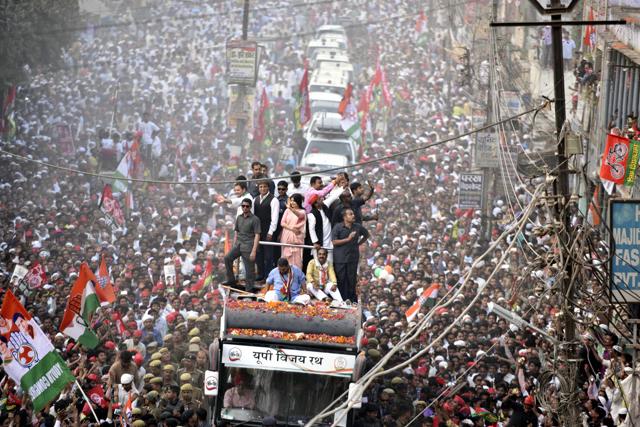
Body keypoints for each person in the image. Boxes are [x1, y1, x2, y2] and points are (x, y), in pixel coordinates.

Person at [223, 198, 261, 292]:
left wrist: (254, 251)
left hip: (248, 246)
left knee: (249, 270)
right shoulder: (239, 217)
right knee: (227, 258)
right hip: (238, 244)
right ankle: (231, 280)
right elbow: (236, 231)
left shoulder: (255, 219)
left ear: (250, 207)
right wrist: (234, 244)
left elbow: (257, 235)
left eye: (247, 206)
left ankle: (249, 289)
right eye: (243, 206)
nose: (245, 208)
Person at [332, 209, 369, 302]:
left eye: (353, 214)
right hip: (340, 258)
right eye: (350, 214)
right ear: (345, 217)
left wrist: (358, 243)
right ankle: (341, 300)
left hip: (352, 257)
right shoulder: (338, 227)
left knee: (351, 279)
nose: (353, 216)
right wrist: (348, 239)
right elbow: (334, 242)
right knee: (341, 279)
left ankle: (351, 300)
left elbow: (367, 235)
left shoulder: (357, 227)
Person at [253, 180, 279, 281]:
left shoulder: (273, 200)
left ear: (268, 188)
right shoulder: (255, 199)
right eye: (261, 187)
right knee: (259, 254)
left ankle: (268, 276)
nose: (262, 189)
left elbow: (275, 217)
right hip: (258, 231)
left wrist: (271, 232)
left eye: (264, 187)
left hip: (268, 230)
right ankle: (260, 274)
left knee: (268, 256)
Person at [279, 193, 306, 269]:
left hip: (297, 239)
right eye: (291, 201)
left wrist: (291, 208)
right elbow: (282, 223)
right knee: (285, 257)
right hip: (286, 236)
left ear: (299, 201)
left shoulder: (303, 211)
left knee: (296, 259)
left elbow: (300, 215)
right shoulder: (287, 211)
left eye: (294, 201)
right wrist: (292, 229)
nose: (292, 203)